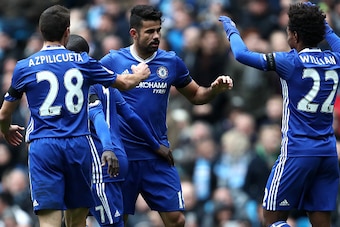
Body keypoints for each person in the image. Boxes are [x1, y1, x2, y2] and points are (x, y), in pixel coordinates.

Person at [0, 5, 151, 227]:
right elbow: (125, 83)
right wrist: (139, 74)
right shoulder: (83, 62)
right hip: (78, 145)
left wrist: (6, 129)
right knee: (77, 221)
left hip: (44, 146)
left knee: (49, 221)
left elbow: (4, 113)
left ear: (41, 31)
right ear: (67, 32)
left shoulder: (24, 67)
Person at [99, 4, 233, 227]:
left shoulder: (170, 62)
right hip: (124, 156)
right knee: (117, 221)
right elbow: (90, 91)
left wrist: (214, 90)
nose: (156, 36)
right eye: (150, 31)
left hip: (158, 154)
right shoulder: (113, 61)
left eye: (158, 30)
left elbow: (197, 95)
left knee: (177, 219)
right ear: (134, 33)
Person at [219, 2, 340, 227]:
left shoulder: (290, 62)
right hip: (327, 153)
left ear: (294, 35)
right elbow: (333, 39)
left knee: (272, 220)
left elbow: (241, 54)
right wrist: (324, 25)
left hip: (297, 151)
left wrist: (232, 29)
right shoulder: (336, 59)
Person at [66, 34, 173, 227]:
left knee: (111, 224)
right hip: (114, 159)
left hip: (103, 162)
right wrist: (156, 145)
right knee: (75, 219)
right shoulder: (107, 83)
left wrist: (107, 148)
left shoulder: (83, 83)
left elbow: (97, 116)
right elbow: (131, 116)